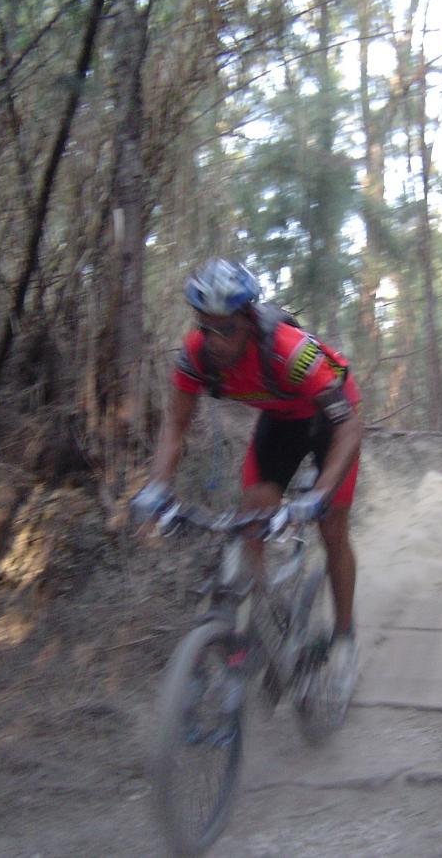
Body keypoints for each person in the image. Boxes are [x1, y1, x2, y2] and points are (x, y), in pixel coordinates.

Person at [132, 259, 363, 710]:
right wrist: (156, 488)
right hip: (281, 421)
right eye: (207, 327)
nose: (216, 342)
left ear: (250, 321)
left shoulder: (289, 353)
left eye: (228, 330)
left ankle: (344, 637)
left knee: (332, 525)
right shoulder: (195, 355)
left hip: (332, 420)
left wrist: (316, 497)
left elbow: (350, 428)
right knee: (251, 515)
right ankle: (259, 631)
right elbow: (174, 428)